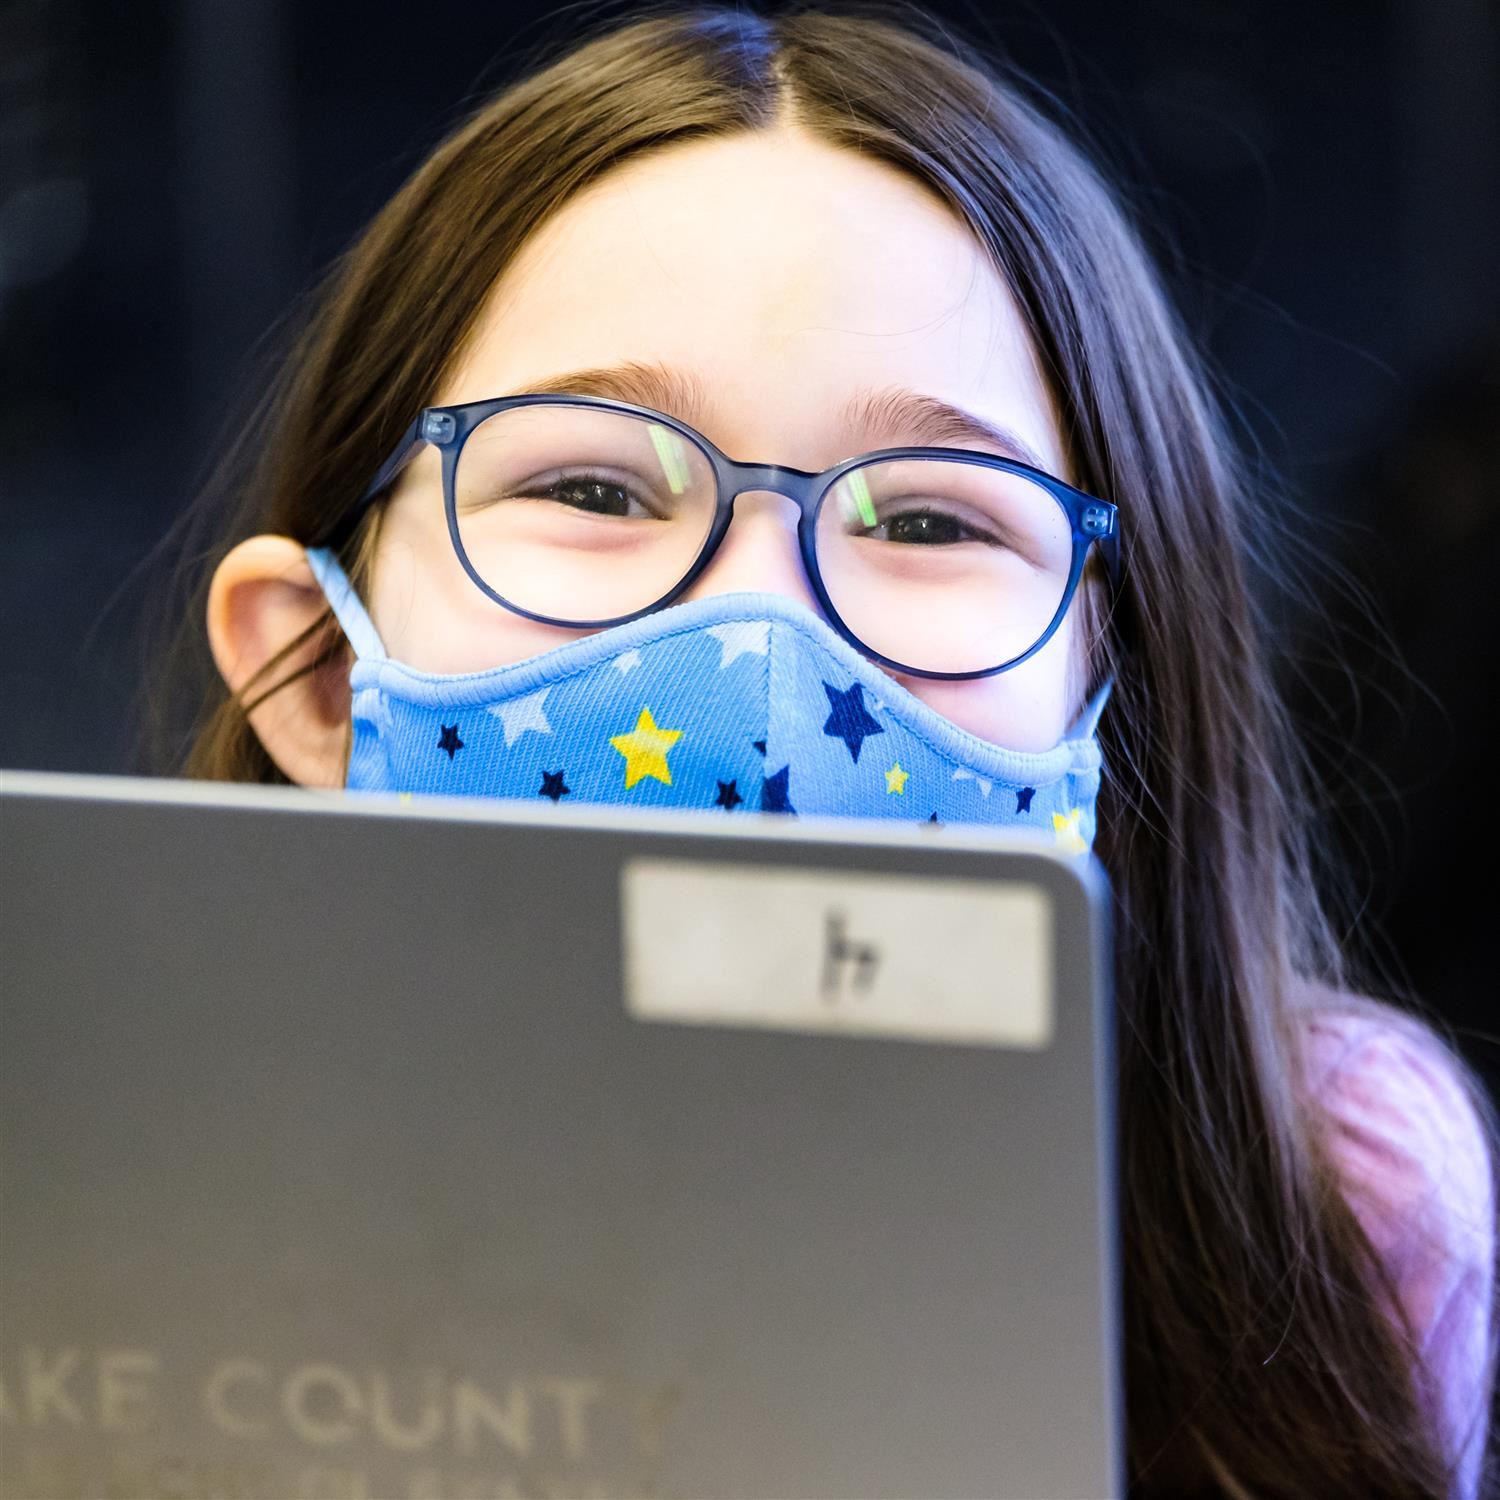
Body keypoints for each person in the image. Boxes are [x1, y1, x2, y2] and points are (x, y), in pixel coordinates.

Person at [168, 7, 1496, 1494]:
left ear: (1106, 681)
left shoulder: (1331, 1202)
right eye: (598, 486)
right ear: (321, 673)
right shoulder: (100, 1174)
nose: (759, 636)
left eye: (929, 521)